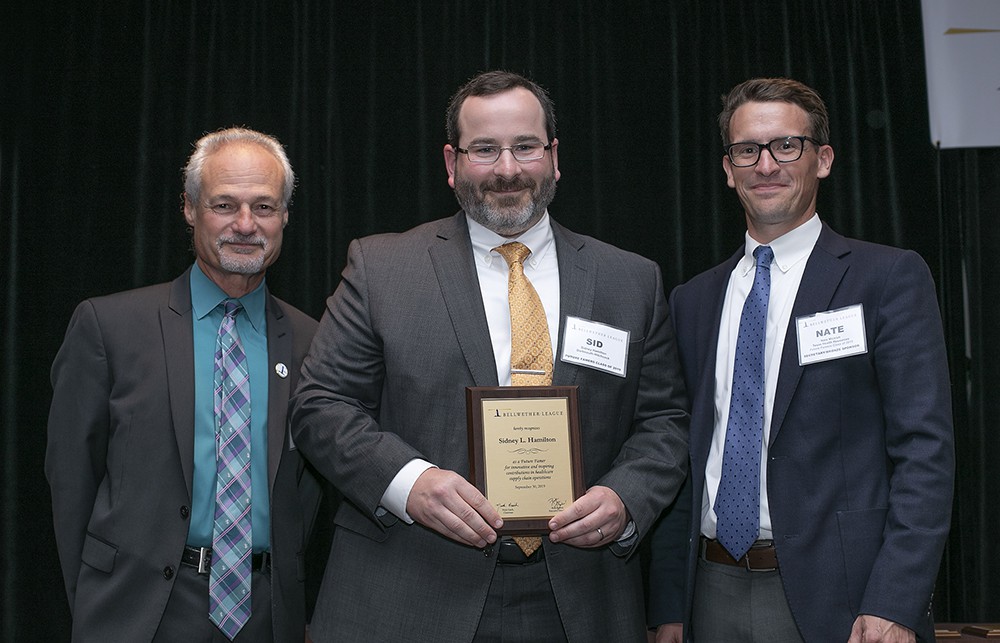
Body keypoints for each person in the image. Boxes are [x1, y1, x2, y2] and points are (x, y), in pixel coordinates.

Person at [289, 70, 689, 642]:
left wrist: (626, 497)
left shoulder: (631, 280)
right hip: (408, 589)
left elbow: (664, 423)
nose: (507, 169)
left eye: (525, 146)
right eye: (484, 150)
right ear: (451, 163)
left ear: (554, 157)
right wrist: (410, 483)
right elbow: (320, 406)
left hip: (579, 600)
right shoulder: (382, 269)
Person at [647, 77, 955, 643]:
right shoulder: (692, 301)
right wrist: (670, 605)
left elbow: (925, 452)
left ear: (823, 159)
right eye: (748, 150)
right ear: (728, 167)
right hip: (710, 591)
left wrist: (896, 600)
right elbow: (682, 459)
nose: (766, 165)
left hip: (845, 600)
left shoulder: (885, 278)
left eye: (786, 145)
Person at [46, 127, 321, 642]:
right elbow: (71, 481)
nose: (245, 225)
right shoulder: (109, 327)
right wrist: (94, 600)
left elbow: (312, 494)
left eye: (263, 207)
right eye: (224, 205)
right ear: (190, 209)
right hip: (137, 612)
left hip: (268, 614)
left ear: (285, 216)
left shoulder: (314, 341)